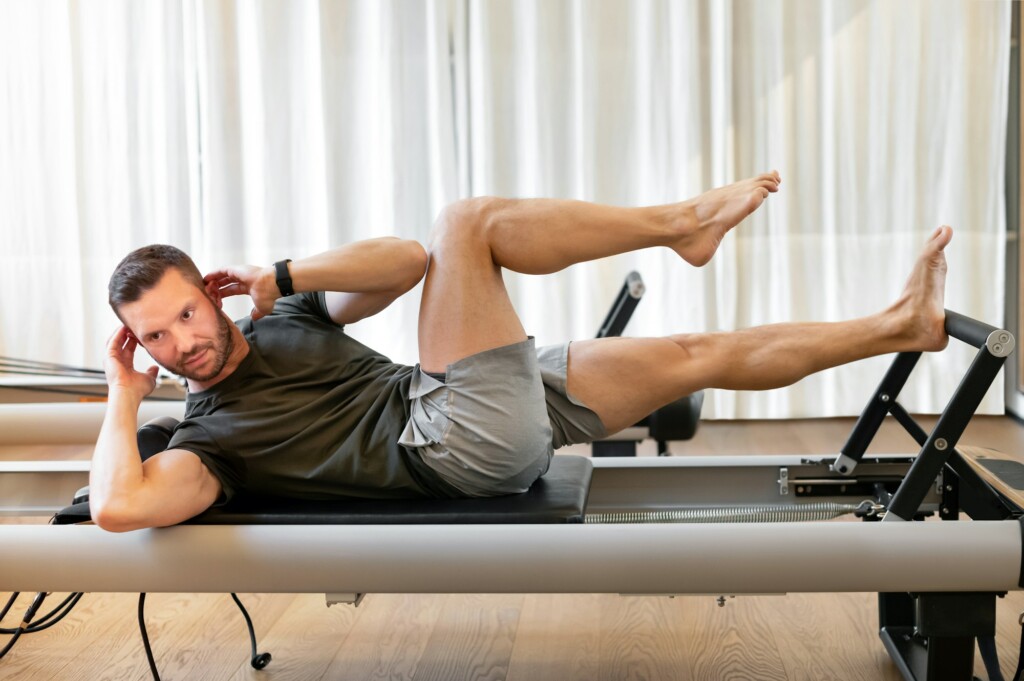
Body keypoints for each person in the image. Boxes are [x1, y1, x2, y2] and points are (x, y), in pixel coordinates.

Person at [90, 171, 952, 532]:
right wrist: (125, 393)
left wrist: (281, 273)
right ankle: (682, 224)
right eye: (157, 335)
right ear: (141, 343)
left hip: (459, 407)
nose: (184, 343)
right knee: (471, 222)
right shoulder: (211, 437)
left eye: (188, 313)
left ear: (212, 290)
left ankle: (898, 325)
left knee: (698, 349)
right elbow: (119, 509)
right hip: (449, 444)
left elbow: (404, 263)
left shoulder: (284, 316)